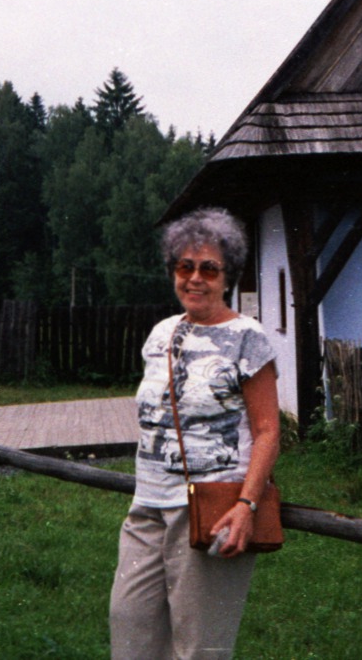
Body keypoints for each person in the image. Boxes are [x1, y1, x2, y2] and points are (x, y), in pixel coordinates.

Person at [109, 207, 279, 660]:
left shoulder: (249, 337)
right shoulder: (161, 333)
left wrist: (247, 506)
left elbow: (267, 431)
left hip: (212, 509)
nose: (195, 278)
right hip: (147, 505)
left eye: (208, 268)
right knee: (130, 634)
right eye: (185, 266)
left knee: (200, 650)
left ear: (229, 276)